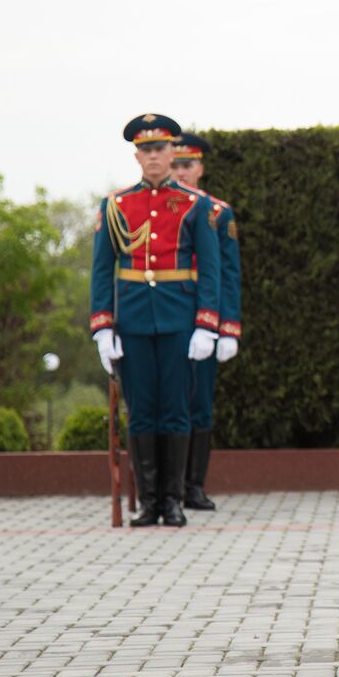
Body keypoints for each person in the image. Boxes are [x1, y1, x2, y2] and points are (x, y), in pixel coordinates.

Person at [89, 114, 221, 528]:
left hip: (180, 320)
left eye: (160, 149)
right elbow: (101, 269)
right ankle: (149, 503)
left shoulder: (195, 205)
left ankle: (173, 500)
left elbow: (211, 269)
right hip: (131, 320)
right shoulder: (116, 206)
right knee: (142, 411)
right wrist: (102, 326)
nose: (154, 157)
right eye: (146, 150)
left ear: (171, 152)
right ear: (137, 155)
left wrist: (206, 324)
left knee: (177, 411)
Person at [170, 132, 242, 511]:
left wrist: (227, 328)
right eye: (175, 164)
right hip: (167, 315)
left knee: (199, 404)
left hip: (205, 320)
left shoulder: (217, 212)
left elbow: (228, 274)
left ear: (200, 168)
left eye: (188, 165)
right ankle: (164, 488)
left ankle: (192, 486)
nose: (181, 172)